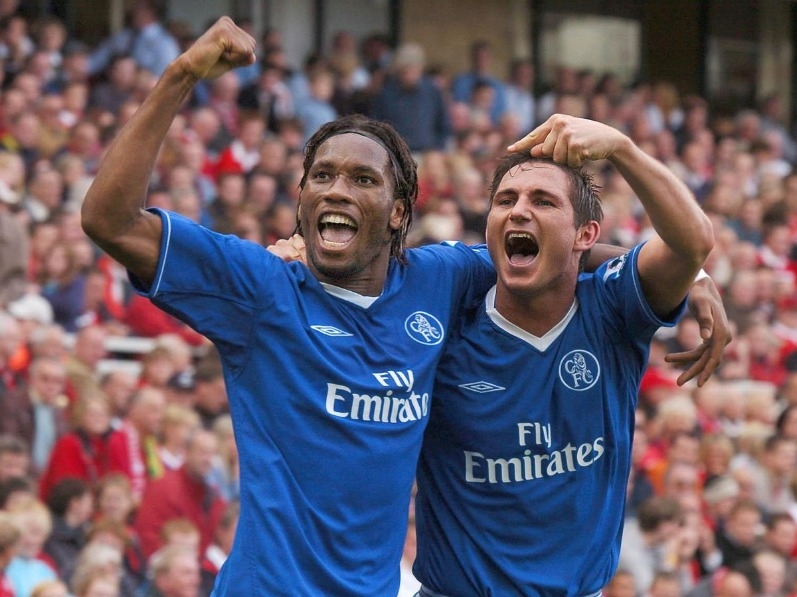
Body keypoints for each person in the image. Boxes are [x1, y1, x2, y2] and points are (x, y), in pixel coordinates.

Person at [80, 18, 728, 594]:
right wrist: (181, 75)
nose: (338, 190)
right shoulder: (261, 288)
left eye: (362, 179)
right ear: (301, 199)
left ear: (397, 213)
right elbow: (110, 220)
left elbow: (552, 252)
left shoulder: (439, 280)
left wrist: (686, 270)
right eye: (322, 176)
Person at [412, 113, 715, 595]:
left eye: (543, 200)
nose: (518, 211)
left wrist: (622, 148)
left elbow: (692, 242)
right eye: (505, 200)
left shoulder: (613, 310)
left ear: (585, 235)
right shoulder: (447, 313)